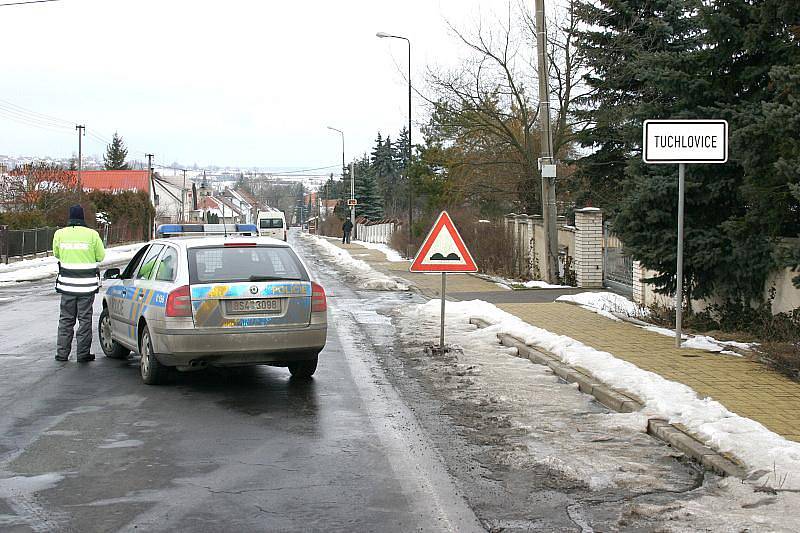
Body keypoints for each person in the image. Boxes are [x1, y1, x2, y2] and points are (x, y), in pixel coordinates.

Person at [52, 205, 106, 362]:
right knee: (84, 320)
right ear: (82, 218)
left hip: (67, 286)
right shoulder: (92, 235)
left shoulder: (60, 234)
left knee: (66, 320)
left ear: (70, 218)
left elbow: (57, 254)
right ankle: (83, 354)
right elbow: (100, 256)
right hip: (87, 287)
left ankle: (62, 354)